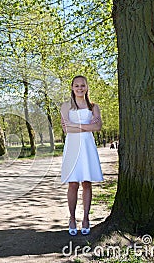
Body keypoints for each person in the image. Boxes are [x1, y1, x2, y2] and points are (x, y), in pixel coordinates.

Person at [60, 75, 103, 236]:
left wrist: (74, 124)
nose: (80, 88)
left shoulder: (93, 107)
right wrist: (87, 126)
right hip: (72, 147)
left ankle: (85, 218)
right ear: (72, 88)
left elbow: (97, 126)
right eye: (77, 85)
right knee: (73, 184)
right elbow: (67, 130)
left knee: (87, 182)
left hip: (87, 146)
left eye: (82, 85)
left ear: (87, 87)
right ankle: (72, 218)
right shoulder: (66, 107)